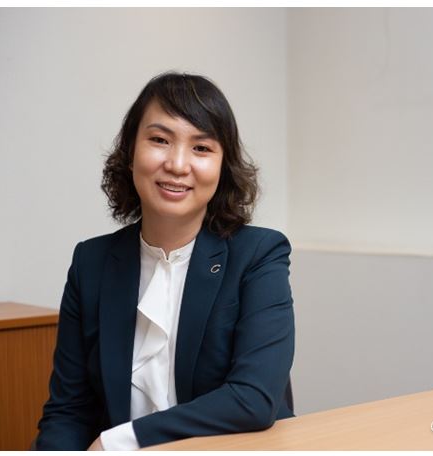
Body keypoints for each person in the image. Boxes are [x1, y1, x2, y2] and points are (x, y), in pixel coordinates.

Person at [34, 72, 295, 450]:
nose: (177, 164)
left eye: (201, 148)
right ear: (130, 151)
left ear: (223, 166)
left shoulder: (259, 255)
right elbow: (68, 412)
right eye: (159, 140)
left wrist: (120, 441)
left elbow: (253, 399)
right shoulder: (91, 263)